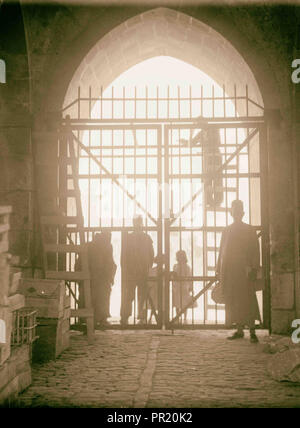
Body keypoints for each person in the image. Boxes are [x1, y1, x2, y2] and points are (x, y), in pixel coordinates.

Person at [216, 199, 261, 343]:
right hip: (230, 272)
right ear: (231, 213)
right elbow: (222, 251)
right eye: (233, 211)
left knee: (248, 300)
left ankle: (252, 331)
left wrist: (253, 268)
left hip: (244, 272)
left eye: (238, 211)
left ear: (242, 213)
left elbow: (255, 251)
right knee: (234, 301)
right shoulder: (226, 230)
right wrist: (219, 269)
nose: (236, 213)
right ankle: (240, 329)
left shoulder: (250, 230)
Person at [121, 215, 154, 325]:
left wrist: (125, 268)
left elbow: (124, 255)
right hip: (141, 271)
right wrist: (148, 266)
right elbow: (151, 255)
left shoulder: (128, 238)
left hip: (131, 271)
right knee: (141, 295)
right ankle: (141, 316)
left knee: (129, 295)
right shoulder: (147, 238)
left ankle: (125, 316)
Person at [88, 231, 117, 328]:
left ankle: (93, 320)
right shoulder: (107, 246)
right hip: (102, 277)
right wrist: (110, 275)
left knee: (93, 298)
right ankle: (101, 319)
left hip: (94, 277)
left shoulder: (90, 245)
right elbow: (109, 262)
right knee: (102, 298)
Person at [172, 250, 195, 323]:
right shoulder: (179, 266)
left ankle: (183, 318)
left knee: (183, 303)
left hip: (183, 286)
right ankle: (179, 317)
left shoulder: (184, 267)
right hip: (178, 286)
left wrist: (191, 287)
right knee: (178, 302)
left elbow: (189, 277)